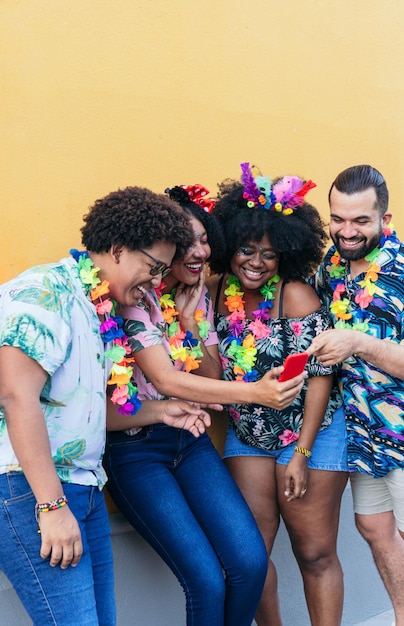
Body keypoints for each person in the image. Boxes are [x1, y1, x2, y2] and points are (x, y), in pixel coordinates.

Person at [0, 185, 217, 626]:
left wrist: (159, 410)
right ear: (117, 249)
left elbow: (79, 408)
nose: (158, 282)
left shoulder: (97, 308)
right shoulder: (45, 292)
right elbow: (14, 394)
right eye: (153, 268)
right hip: (31, 490)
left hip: (83, 487)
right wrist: (51, 506)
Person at [103, 183, 306, 626]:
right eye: (187, 241)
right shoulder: (135, 298)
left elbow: (210, 380)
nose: (199, 250)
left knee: (250, 564)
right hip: (136, 450)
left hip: (189, 441)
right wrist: (256, 392)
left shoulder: (198, 298)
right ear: (163, 248)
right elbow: (164, 378)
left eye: (204, 238)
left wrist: (193, 324)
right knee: (208, 581)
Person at [206, 163, 349, 626]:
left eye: (269, 254)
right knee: (251, 555)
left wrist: (303, 453)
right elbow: (211, 372)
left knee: (313, 551)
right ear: (229, 247)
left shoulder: (296, 296)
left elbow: (323, 375)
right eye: (246, 249)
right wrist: (191, 323)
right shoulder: (212, 295)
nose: (256, 262)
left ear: (284, 255)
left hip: (312, 430)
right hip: (249, 432)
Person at [309, 164, 404, 626]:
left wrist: (359, 342)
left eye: (360, 221)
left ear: (384, 220)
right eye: (338, 219)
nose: (346, 232)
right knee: (374, 529)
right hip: (363, 436)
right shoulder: (331, 268)